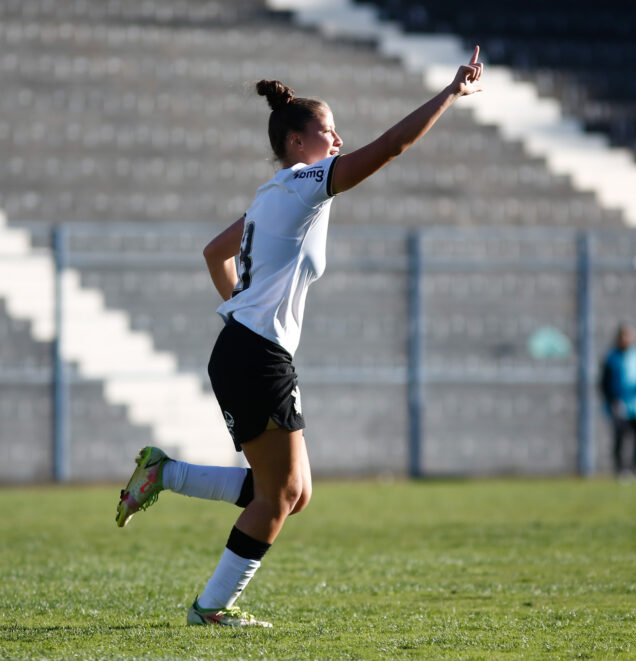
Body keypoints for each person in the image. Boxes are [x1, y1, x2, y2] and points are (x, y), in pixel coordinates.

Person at [116, 49, 485, 626]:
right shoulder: (307, 184)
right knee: (279, 496)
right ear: (296, 140)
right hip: (256, 354)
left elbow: (216, 253)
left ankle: (166, 474)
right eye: (327, 130)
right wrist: (449, 94)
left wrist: (240, 311)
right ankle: (211, 608)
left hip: (247, 348)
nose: (338, 139)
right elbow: (391, 148)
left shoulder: (273, 193)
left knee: (294, 492)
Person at [599, 323, 636, 482]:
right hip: (620, 405)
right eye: (624, 336)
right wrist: (611, 401)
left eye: (630, 336)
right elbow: (604, 383)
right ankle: (621, 471)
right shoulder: (611, 357)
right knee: (620, 439)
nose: (627, 339)